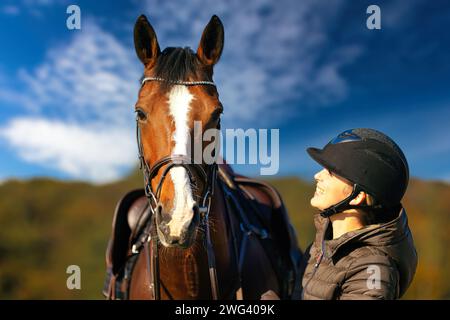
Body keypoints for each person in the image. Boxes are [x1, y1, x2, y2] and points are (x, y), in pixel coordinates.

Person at [262, 128, 417, 300]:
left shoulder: (372, 269)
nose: (317, 176)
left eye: (330, 171)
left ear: (358, 196)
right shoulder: (317, 249)